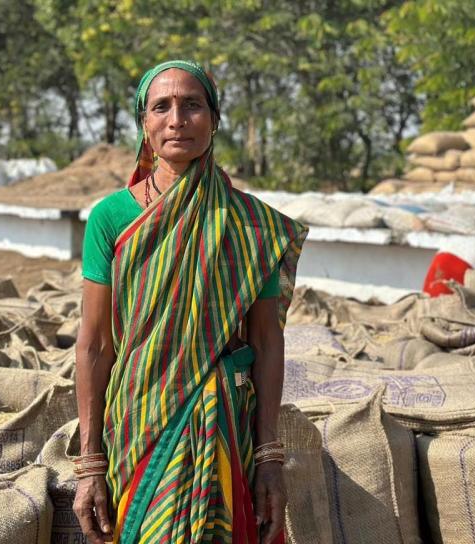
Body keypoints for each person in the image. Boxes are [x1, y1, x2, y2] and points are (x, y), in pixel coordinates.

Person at [73, 60, 307, 544]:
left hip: (223, 426)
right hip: (137, 425)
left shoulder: (251, 224)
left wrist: (269, 457)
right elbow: (94, 345)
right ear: (144, 124)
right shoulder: (110, 218)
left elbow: (267, 341)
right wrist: (90, 463)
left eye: (192, 105)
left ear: (214, 119)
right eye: (161, 107)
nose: (176, 119)